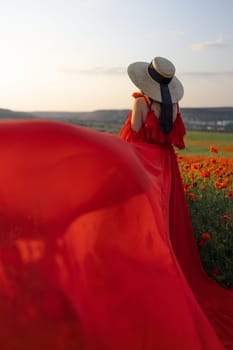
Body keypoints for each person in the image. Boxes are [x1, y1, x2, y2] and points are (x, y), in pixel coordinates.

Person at [0, 56, 232, 350]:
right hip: (165, 164)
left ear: (145, 81)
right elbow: (174, 139)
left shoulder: (140, 104)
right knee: (161, 222)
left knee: (136, 217)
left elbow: (133, 136)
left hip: (141, 162)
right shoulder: (173, 107)